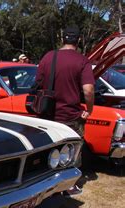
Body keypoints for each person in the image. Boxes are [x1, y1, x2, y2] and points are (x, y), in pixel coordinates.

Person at [35, 26, 95, 196]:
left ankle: (46, 184)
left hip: (47, 114)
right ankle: (69, 186)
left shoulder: (48, 57)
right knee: (71, 151)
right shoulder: (82, 61)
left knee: (49, 150)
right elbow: (89, 91)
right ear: (79, 40)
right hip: (70, 116)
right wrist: (88, 110)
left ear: (62, 38)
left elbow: (37, 84)